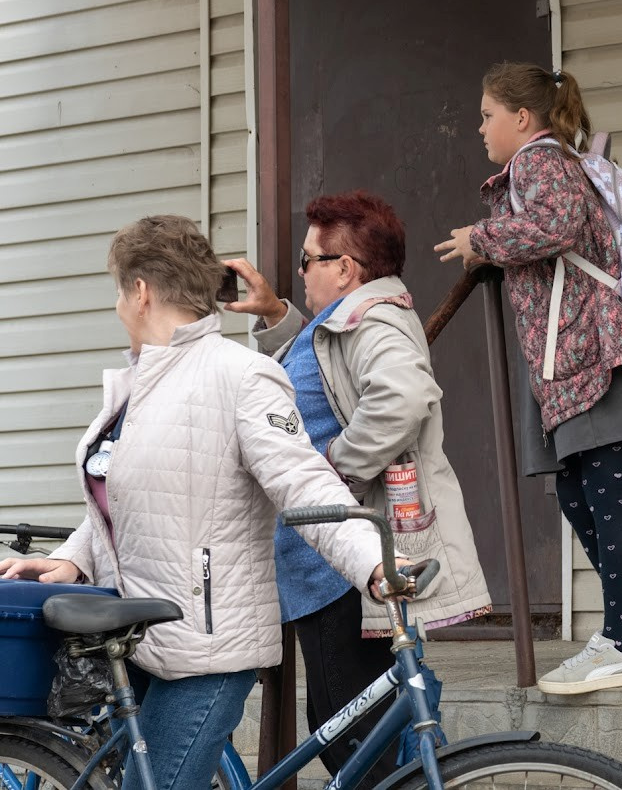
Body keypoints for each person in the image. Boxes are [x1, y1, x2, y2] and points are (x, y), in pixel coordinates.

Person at [0, 215, 388, 790]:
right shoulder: (141, 380)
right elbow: (130, 491)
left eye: (117, 291)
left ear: (140, 292)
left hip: (208, 648)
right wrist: (76, 555)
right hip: (142, 636)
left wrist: (374, 562)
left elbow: (306, 483)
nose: (117, 306)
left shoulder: (241, 376)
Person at [226, 191, 492, 786]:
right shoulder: (347, 321)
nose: (300, 271)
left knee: (356, 744)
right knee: (356, 733)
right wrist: (277, 316)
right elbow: (319, 370)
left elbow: (402, 396)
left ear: (344, 269)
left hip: (340, 564)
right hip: (327, 561)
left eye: (307, 261)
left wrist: (336, 468)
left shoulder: (373, 319)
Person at [435, 62, 622, 695]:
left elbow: (557, 225)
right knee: (580, 495)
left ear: (522, 118)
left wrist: (480, 239)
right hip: (574, 360)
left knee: (606, 493)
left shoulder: (541, 160)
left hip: (598, 352)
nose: (480, 127)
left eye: (487, 114)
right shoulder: (540, 165)